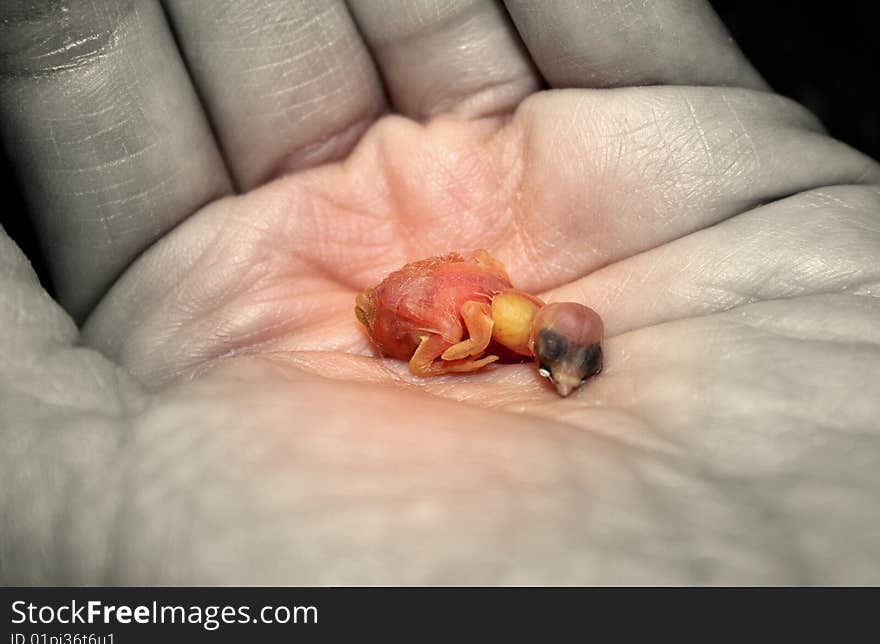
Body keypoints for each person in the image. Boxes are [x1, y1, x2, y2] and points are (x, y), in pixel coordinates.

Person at [1, 1, 878, 585]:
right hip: (434, 304)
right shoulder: (474, 311)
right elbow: (450, 337)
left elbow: (478, 325)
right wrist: (441, 345)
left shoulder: (502, 310)